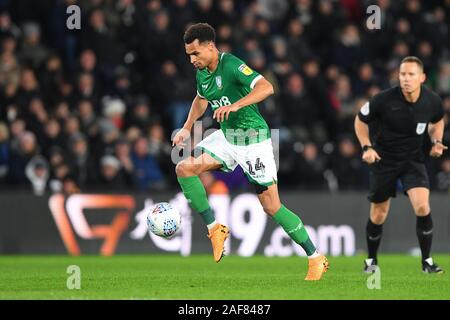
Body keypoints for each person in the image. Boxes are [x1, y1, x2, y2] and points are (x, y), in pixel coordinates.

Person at [172, 23, 329, 281]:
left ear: (211, 46)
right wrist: (187, 128)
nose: (192, 60)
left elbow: (267, 87)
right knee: (184, 167)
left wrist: (235, 105)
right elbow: (201, 99)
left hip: (253, 140)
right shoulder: (202, 73)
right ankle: (215, 229)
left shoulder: (232, 65)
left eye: (196, 53)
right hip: (228, 137)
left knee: (272, 207)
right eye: (189, 55)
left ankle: (315, 257)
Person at [354, 56, 447, 274]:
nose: (405, 79)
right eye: (403, 74)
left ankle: (427, 261)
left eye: (411, 74)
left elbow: (438, 120)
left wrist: (437, 141)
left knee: (423, 206)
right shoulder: (383, 100)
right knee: (379, 213)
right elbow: (360, 120)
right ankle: (371, 261)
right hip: (383, 160)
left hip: (413, 160)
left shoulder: (432, 101)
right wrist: (367, 147)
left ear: (422, 78)